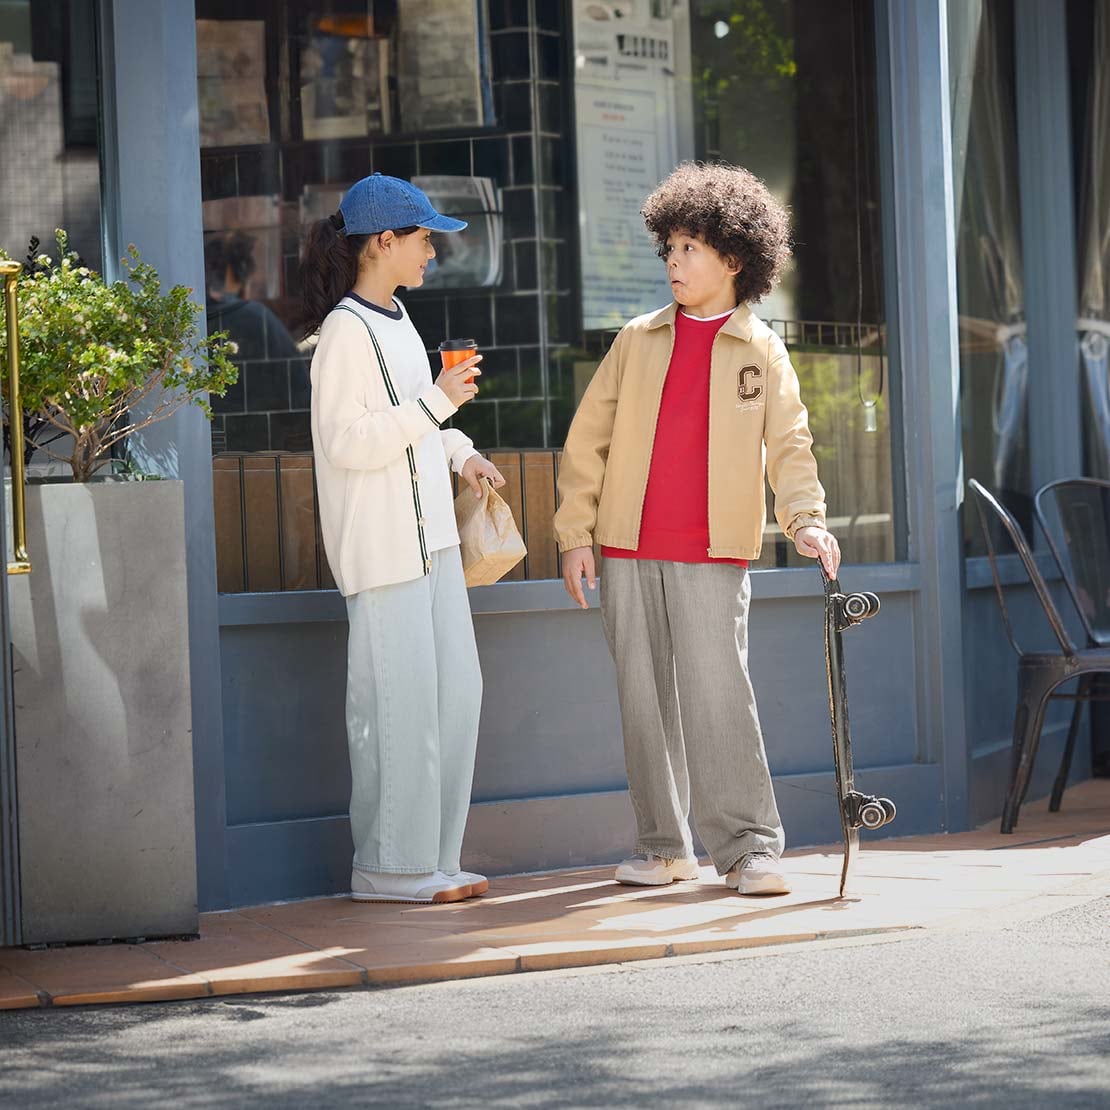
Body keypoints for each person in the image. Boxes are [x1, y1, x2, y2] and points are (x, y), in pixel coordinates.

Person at [554, 162, 840, 896]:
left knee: (719, 698)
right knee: (644, 704)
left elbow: (791, 445)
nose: (675, 264)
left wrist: (805, 521)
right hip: (625, 548)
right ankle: (662, 849)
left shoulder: (761, 351)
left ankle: (748, 850)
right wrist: (575, 536)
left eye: (690, 249)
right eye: (670, 249)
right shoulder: (636, 341)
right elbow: (587, 444)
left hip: (714, 553)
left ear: (734, 258)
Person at [301, 173, 505, 904]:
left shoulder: (394, 320)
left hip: (433, 546)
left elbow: (417, 428)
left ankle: (433, 859)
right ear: (383, 242)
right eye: (424, 239)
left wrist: (461, 451)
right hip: (384, 553)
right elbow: (348, 444)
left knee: (455, 696)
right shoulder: (344, 334)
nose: (432, 253)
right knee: (397, 708)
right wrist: (436, 403)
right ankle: (386, 867)